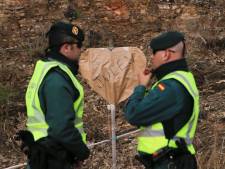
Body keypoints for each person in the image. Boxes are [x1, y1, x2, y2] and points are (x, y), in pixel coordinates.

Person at [18, 21, 90, 169]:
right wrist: (82, 152)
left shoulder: (45, 69)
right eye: (79, 47)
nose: (80, 52)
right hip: (54, 158)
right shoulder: (57, 79)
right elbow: (61, 127)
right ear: (66, 48)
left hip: (45, 155)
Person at [124, 31, 199, 169]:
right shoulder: (181, 78)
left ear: (165, 54)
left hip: (170, 162)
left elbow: (133, 114)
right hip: (172, 160)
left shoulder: (171, 86)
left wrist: (140, 87)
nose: (151, 57)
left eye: (154, 53)